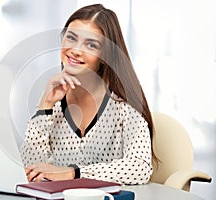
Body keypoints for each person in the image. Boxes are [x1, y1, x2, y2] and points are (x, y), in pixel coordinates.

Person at [20, 4, 156, 185]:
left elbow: (140, 167)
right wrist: (45, 106)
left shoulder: (125, 102)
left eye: (91, 44)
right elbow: (31, 167)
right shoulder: (55, 102)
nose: (75, 50)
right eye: (71, 38)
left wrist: (73, 173)